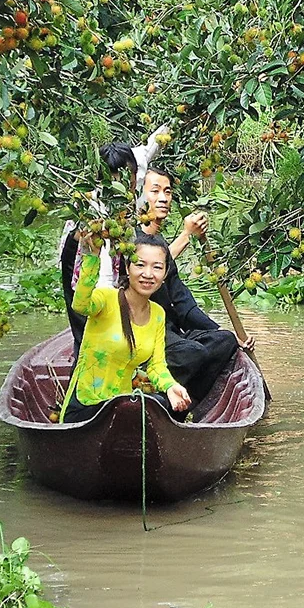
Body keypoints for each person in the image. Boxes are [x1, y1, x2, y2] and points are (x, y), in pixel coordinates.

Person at [136, 165, 255, 404]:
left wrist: (218, 330)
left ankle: (190, 402)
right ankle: (156, 396)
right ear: (139, 197)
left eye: (168, 192)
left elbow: (183, 304)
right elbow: (149, 272)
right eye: (155, 191)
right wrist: (186, 236)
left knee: (224, 341)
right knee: (192, 352)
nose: (163, 198)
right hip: (141, 330)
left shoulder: (159, 242)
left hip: (168, 331)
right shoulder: (130, 241)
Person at [61, 231, 191, 423]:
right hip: (86, 406)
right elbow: (80, 304)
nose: (148, 274)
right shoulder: (106, 299)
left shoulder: (157, 313)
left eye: (157, 267)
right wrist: (92, 257)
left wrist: (171, 386)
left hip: (121, 407)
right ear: (128, 268)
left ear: (164, 274)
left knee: (165, 404)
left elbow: (156, 366)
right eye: (140, 265)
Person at [59, 128, 169, 355]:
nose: (122, 183)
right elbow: (103, 273)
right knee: (87, 338)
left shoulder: (134, 175)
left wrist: (181, 116)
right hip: (81, 259)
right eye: (114, 178)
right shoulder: (94, 207)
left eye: (126, 177)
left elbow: (153, 145)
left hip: (114, 255)